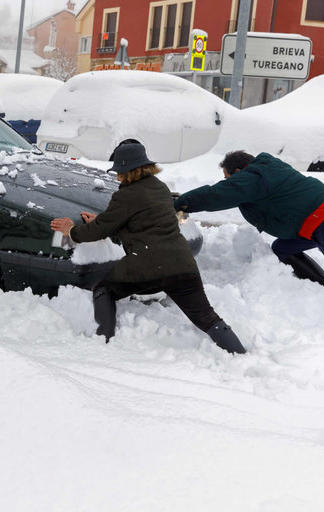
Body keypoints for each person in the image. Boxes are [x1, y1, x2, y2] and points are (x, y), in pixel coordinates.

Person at [50, 142, 247, 354]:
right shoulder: (161, 188)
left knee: (103, 289)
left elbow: (97, 231)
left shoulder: (125, 196)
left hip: (146, 265)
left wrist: (71, 231)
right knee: (206, 316)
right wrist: (103, 220)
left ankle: (103, 341)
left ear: (129, 171)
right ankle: (240, 353)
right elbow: (139, 221)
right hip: (182, 264)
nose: (117, 176)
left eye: (120, 172)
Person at [173, 150, 324, 303]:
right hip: (319, 223)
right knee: (283, 248)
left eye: (229, 178)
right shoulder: (266, 172)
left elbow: (216, 194)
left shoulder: (254, 177)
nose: (229, 183)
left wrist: (180, 203)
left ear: (238, 172)